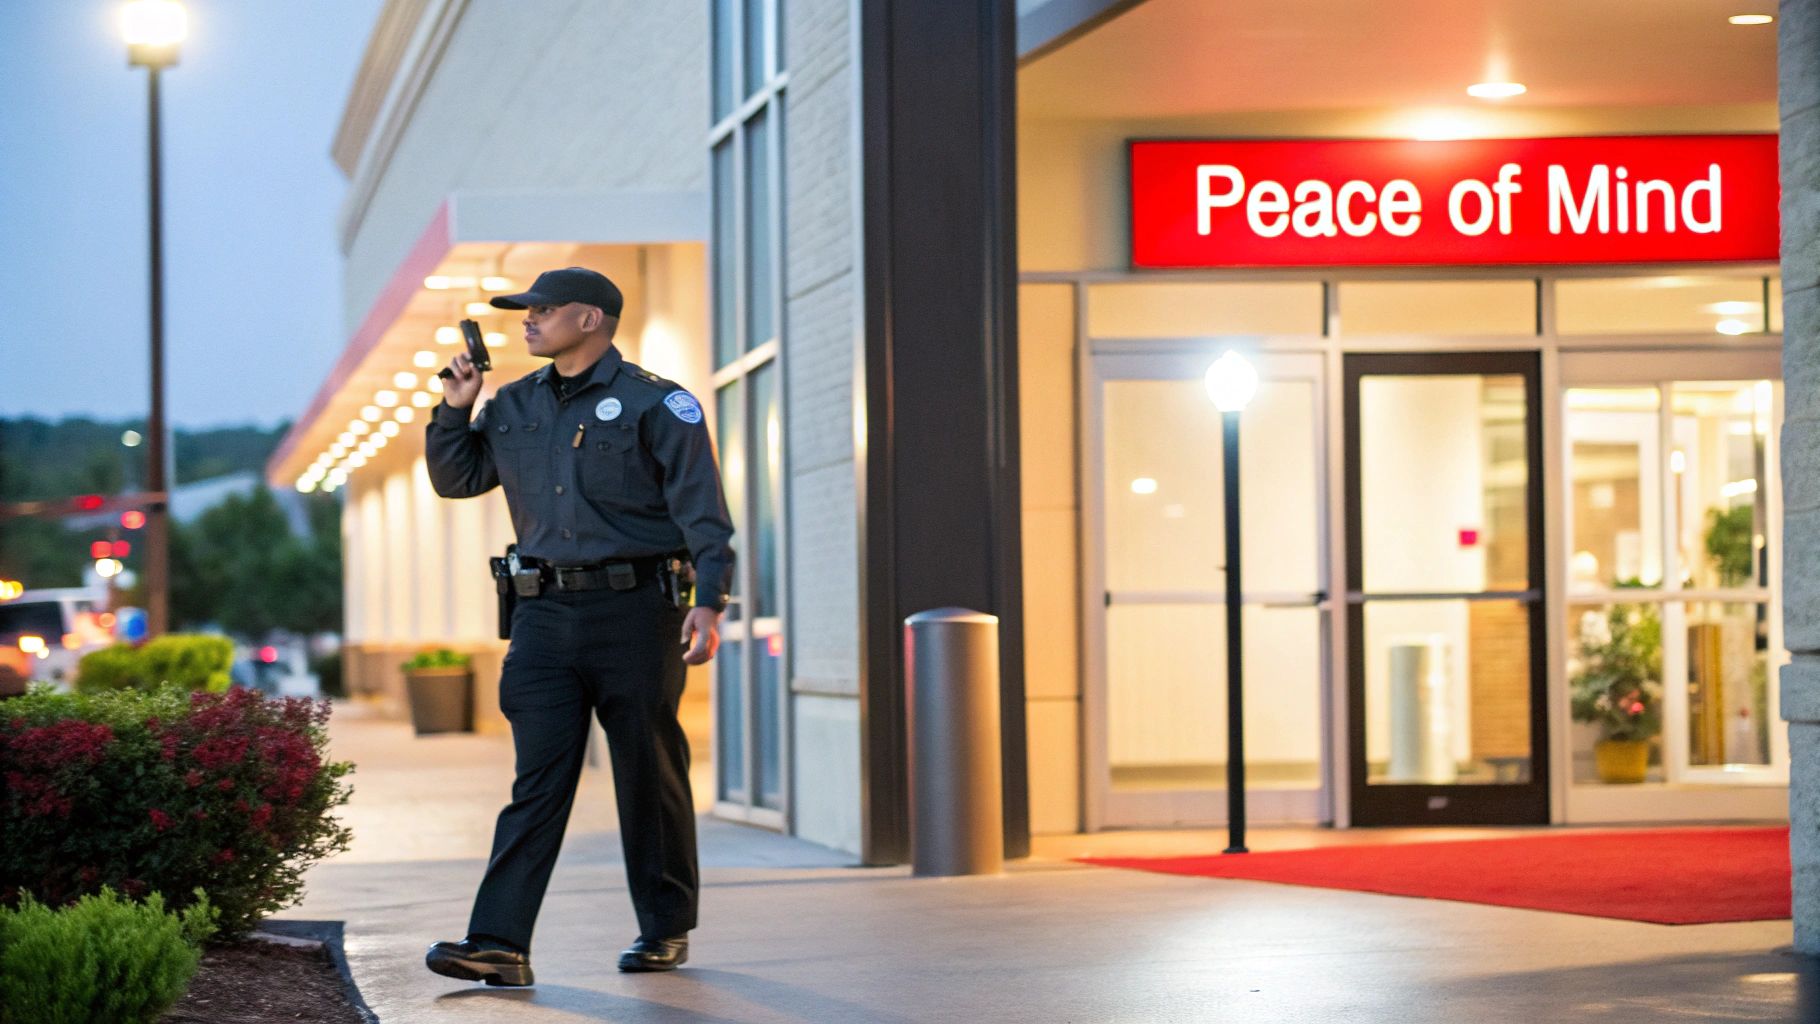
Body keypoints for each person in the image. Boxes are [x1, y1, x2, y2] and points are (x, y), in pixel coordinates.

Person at [421, 266, 734, 986]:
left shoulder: (660, 404)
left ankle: (664, 928)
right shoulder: (511, 405)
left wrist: (709, 602)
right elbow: (457, 479)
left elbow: (704, 515)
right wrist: (454, 409)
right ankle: (498, 942)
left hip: (635, 613)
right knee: (538, 781)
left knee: (647, 774)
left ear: (590, 318)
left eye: (543, 309)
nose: (527, 320)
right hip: (541, 617)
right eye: (525, 310)